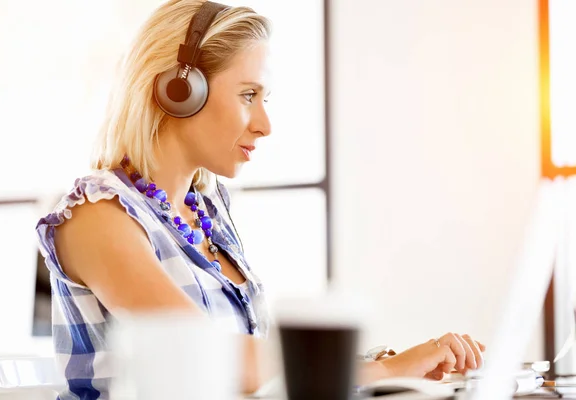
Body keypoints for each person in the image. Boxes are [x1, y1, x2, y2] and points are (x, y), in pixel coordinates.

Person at [35, 1, 485, 398]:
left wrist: (385, 370)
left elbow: (258, 370)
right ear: (179, 90)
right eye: (249, 95)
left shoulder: (206, 210)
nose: (265, 124)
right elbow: (207, 356)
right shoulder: (98, 216)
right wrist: (383, 370)